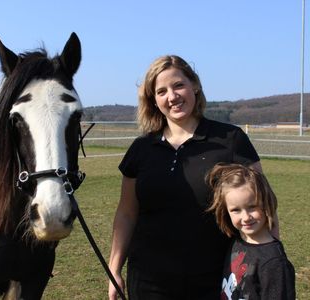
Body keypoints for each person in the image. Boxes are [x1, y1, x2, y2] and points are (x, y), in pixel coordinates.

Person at [108, 55, 273, 300]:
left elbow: (265, 206)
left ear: (194, 85)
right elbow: (126, 213)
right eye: (161, 91)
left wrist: (270, 261)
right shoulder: (141, 149)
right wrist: (114, 269)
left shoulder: (231, 140)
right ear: (154, 100)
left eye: (178, 85)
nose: (172, 96)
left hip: (217, 279)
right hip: (148, 282)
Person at [206, 163, 295, 299]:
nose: (246, 217)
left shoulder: (274, 263)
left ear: (266, 203)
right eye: (236, 210)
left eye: (252, 206)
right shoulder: (237, 241)